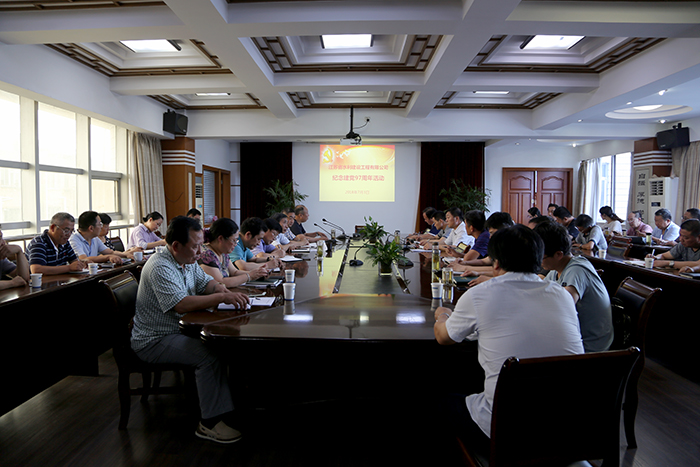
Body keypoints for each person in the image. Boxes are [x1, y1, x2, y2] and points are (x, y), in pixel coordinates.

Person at [433, 225, 584, 437]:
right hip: (568, 423)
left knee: (434, 400)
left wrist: (442, 315)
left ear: (495, 263)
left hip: (507, 427)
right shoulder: (562, 295)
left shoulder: (479, 295)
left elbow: (443, 337)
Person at [131, 216, 249, 443]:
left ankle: (227, 407)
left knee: (222, 346)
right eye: (195, 246)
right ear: (176, 245)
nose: (200, 251)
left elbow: (205, 282)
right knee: (208, 355)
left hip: (179, 331)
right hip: (154, 339)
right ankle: (209, 423)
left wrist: (219, 288)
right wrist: (221, 297)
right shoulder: (160, 266)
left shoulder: (187, 259)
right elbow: (181, 304)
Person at [534, 222, 613, 352]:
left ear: (558, 254)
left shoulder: (577, 269)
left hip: (590, 347)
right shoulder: (556, 270)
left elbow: (562, 306)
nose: (538, 262)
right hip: (573, 337)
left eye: (541, 257)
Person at [199, 218, 267, 287]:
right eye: (233, 240)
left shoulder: (223, 252)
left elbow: (234, 272)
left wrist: (256, 274)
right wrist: (249, 276)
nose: (235, 244)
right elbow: (220, 282)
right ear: (221, 239)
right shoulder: (206, 255)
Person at [69, 211, 135, 265]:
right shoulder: (73, 239)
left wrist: (126, 254)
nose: (101, 227)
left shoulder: (94, 238)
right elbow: (83, 258)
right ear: (91, 228)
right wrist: (107, 257)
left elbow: (110, 252)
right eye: (100, 224)